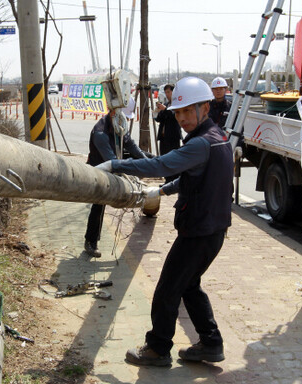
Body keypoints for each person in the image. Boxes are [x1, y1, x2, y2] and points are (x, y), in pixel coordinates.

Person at [95, 77, 234, 367]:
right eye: (178, 112)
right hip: (214, 230)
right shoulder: (218, 138)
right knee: (189, 285)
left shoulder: (200, 144)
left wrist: (116, 164)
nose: (181, 118)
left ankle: (157, 349)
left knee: (167, 289)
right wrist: (162, 190)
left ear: (205, 107)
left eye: (187, 111)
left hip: (198, 232)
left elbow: (160, 164)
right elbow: (190, 176)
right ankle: (211, 343)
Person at [84, 97, 147, 258]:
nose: (125, 121)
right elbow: (113, 162)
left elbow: (130, 144)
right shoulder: (101, 133)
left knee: (146, 157)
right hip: (99, 170)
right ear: (113, 113)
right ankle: (90, 242)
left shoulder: (118, 125)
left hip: (113, 164)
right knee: (98, 205)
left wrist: (147, 162)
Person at [155, 84, 182, 183]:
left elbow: (174, 116)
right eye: (166, 92)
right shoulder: (166, 104)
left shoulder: (177, 104)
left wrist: (165, 110)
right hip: (163, 137)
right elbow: (158, 119)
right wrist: (159, 110)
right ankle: (167, 180)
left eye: (169, 92)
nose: (167, 94)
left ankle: (174, 180)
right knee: (164, 158)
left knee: (173, 159)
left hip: (172, 137)